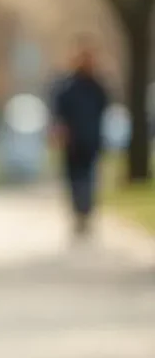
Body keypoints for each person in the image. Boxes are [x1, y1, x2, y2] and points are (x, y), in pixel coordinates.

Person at [49, 36, 110, 241]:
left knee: (90, 179)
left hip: (91, 139)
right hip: (72, 142)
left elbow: (105, 108)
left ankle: (86, 213)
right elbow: (58, 113)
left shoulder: (97, 86)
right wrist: (59, 132)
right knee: (75, 180)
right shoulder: (67, 86)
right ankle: (78, 213)